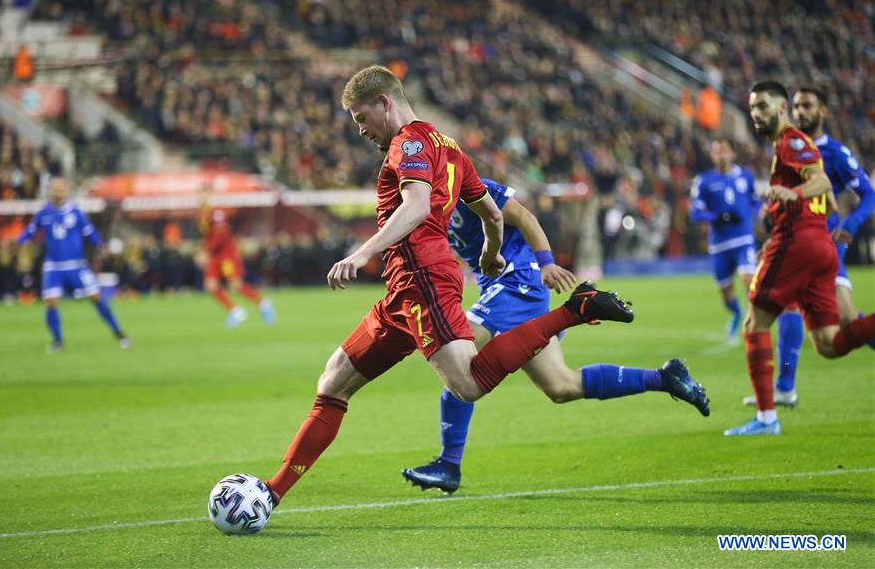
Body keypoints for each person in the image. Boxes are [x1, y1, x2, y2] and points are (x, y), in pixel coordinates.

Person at [259, 65, 704, 512]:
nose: (359, 130)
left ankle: (575, 311)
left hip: (425, 282)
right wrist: (491, 254)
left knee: (467, 383)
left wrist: (361, 253)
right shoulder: (451, 151)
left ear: (384, 103)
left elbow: (416, 207)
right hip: (405, 291)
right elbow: (491, 215)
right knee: (334, 383)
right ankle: (270, 492)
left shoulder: (409, 143)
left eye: (360, 118)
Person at [402, 177, 711, 493]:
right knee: (561, 385)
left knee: (459, 361)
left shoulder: (463, 182)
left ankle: (449, 464)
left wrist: (546, 263)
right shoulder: (422, 199)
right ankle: (665, 378)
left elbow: (524, 217)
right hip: (501, 287)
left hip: (517, 282)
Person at [725, 81, 875, 436]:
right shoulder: (795, 145)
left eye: (762, 106)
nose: (756, 114)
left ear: (781, 109)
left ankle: (766, 418)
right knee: (829, 343)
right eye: (752, 108)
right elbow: (833, 201)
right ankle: (783, 388)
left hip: (800, 243)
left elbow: (822, 182)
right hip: (819, 244)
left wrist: (790, 199)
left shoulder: (792, 141)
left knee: (754, 322)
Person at [17, 177, 129, 352]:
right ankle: (57, 341)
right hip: (54, 266)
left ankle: (119, 333)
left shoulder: (76, 212)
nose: (57, 192)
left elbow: (90, 232)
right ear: (50, 191)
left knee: (96, 298)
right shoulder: (43, 213)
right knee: (51, 302)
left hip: (77, 265)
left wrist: (100, 245)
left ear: (67, 190)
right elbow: (30, 231)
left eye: (60, 189)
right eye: (54, 189)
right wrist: (19, 241)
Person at [690, 138, 760, 341]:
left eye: (724, 150)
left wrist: (758, 215)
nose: (720, 155)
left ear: (732, 153)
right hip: (719, 244)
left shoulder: (745, 176)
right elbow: (695, 212)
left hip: (743, 239)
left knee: (749, 281)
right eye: (716, 151)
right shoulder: (703, 181)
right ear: (712, 156)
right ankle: (736, 313)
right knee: (726, 294)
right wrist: (716, 217)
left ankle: (754, 323)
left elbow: (754, 200)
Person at [198, 187, 274, 327]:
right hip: (215, 256)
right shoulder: (202, 214)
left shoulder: (217, 213)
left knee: (236, 285)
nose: (202, 198)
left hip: (226, 255)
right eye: (200, 195)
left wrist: (206, 252)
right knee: (210, 285)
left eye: (205, 194)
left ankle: (263, 303)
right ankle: (236, 311)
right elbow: (207, 236)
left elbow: (221, 236)